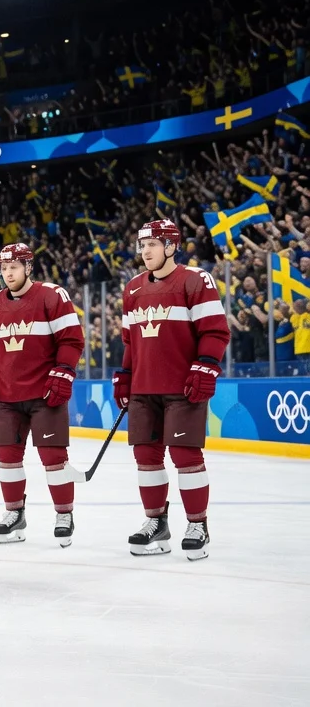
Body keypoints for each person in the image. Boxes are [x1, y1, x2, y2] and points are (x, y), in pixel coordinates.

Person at [113, 219, 229, 560]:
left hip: (183, 386)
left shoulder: (196, 280)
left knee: (185, 455)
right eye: (142, 245)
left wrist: (206, 364)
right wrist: (125, 374)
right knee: (146, 457)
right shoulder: (132, 288)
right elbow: (130, 340)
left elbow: (215, 331)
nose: (145, 251)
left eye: (152, 244)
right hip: (144, 388)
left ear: (170, 246)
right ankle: (156, 524)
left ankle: (198, 525)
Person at [0, 243, 85, 547]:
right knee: (7, 458)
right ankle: (14, 514)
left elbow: (71, 340)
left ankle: (64, 514)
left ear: (28, 268)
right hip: (8, 396)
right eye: (4, 268)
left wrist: (63, 372)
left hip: (45, 393)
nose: (8, 273)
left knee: (53, 458)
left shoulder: (52, 295)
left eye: (14, 267)